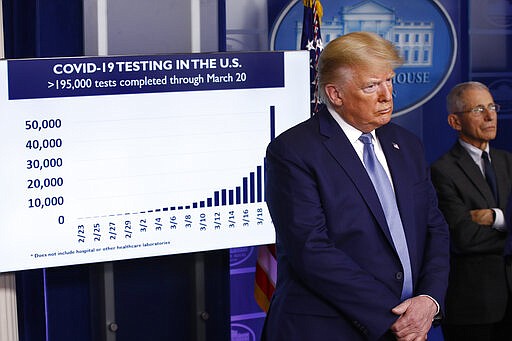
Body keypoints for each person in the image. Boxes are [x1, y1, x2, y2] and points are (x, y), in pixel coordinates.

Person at [262, 31, 450, 341]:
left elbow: (435, 229)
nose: (387, 95)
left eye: (389, 81)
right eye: (372, 86)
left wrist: (429, 300)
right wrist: (392, 314)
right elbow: (311, 250)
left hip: (415, 326)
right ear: (335, 94)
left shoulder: (408, 145)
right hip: (329, 329)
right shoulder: (293, 151)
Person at [430, 81, 512, 341]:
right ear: (455, 122)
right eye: (478, 109)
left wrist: (495, 217)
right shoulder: (442, 171)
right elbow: (463, 237)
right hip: (473, 307)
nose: (490, 116)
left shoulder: (508, 162)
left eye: (492, 107)